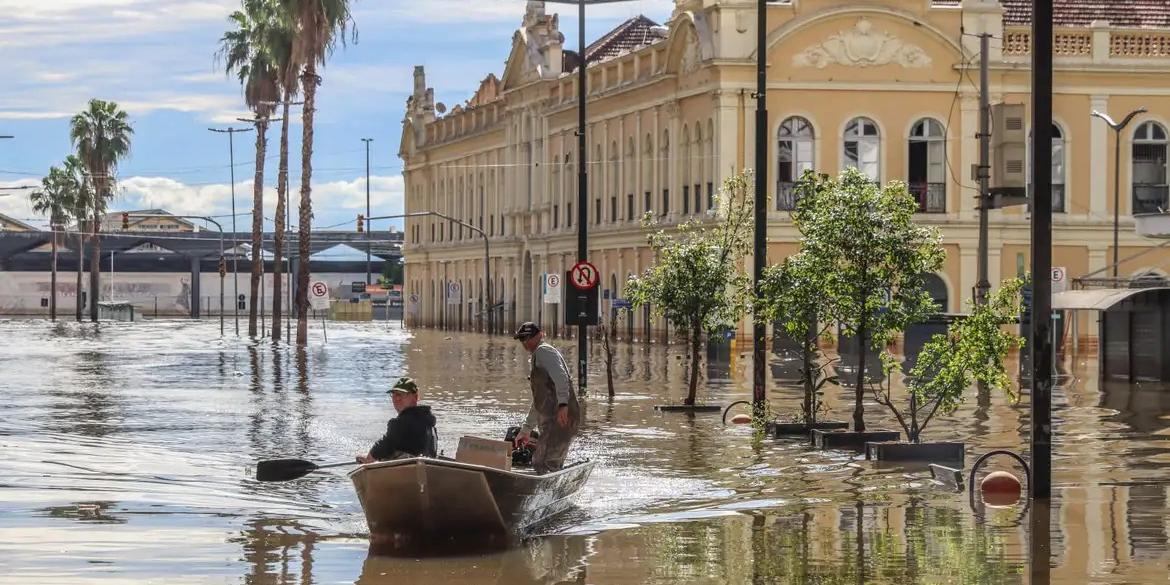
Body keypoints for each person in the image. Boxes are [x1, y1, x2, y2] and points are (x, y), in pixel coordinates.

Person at [512, 322, 581, 473]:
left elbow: (561, 377)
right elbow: (538, 402)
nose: (525, 343)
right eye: (522, 339)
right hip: (551, 422)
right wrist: (526, 430)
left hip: (562, 419)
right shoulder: (537, 357)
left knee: (545, 462)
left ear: (540, 335)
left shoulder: (544, 351)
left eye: (528, 338)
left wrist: (563, 405)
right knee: (540, 461)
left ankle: (548, 492)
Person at [357, 377, 438, 463]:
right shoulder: (429, 422)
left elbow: (387, 443)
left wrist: (368, 458)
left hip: (408, 469)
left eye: (402, 394)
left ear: (415, 397)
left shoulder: (400, 423)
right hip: (427, 466)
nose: (397, 399)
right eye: (394, 394)